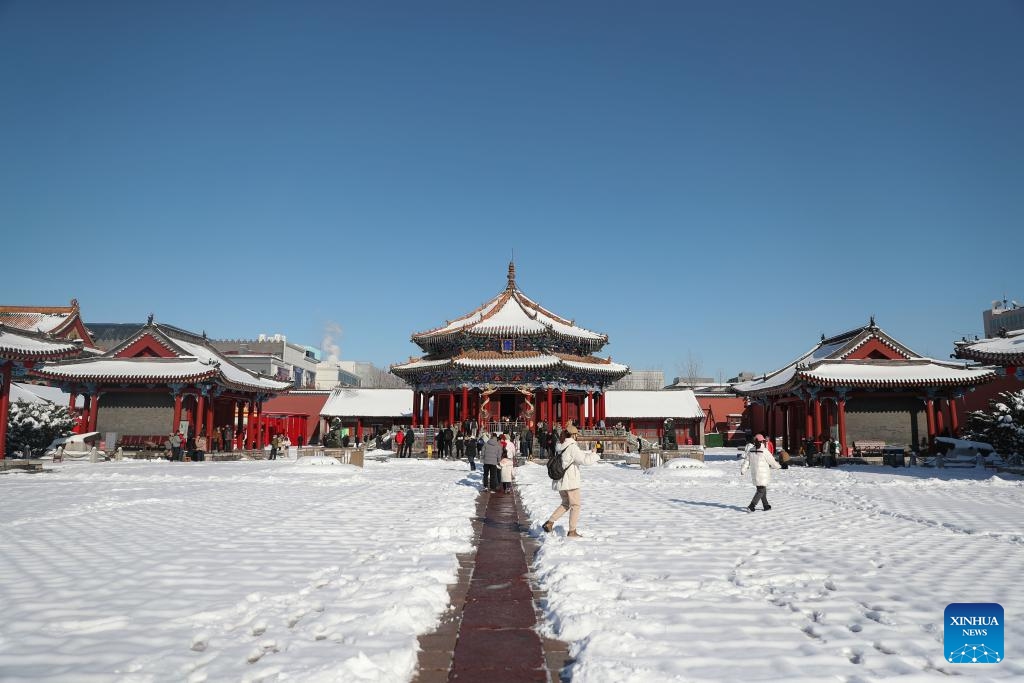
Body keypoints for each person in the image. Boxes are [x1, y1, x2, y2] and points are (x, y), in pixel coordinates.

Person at [541, 425, 599, 538]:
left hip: (560, 480)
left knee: (565, 504)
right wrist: (594, 454)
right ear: (573, 435)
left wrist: (589, 453)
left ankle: (550, 522)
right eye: (576, 434)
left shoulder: (560, 446)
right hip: (570, 481)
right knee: (575, 505)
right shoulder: (572, 447)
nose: (577, 436)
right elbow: (585, 460)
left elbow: (574, 457)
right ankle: (572, 531)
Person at [741, 433, 781, 512]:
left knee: (762, 490)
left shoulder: (751, 450)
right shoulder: (764, 451)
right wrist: (778, 466)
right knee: (761, 491)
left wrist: (743, 469)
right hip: (763, 475)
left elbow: (746, 461)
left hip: (755, 474)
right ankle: (751, 506)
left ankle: (766, 505)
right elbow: (771, 461)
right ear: (762, 441)